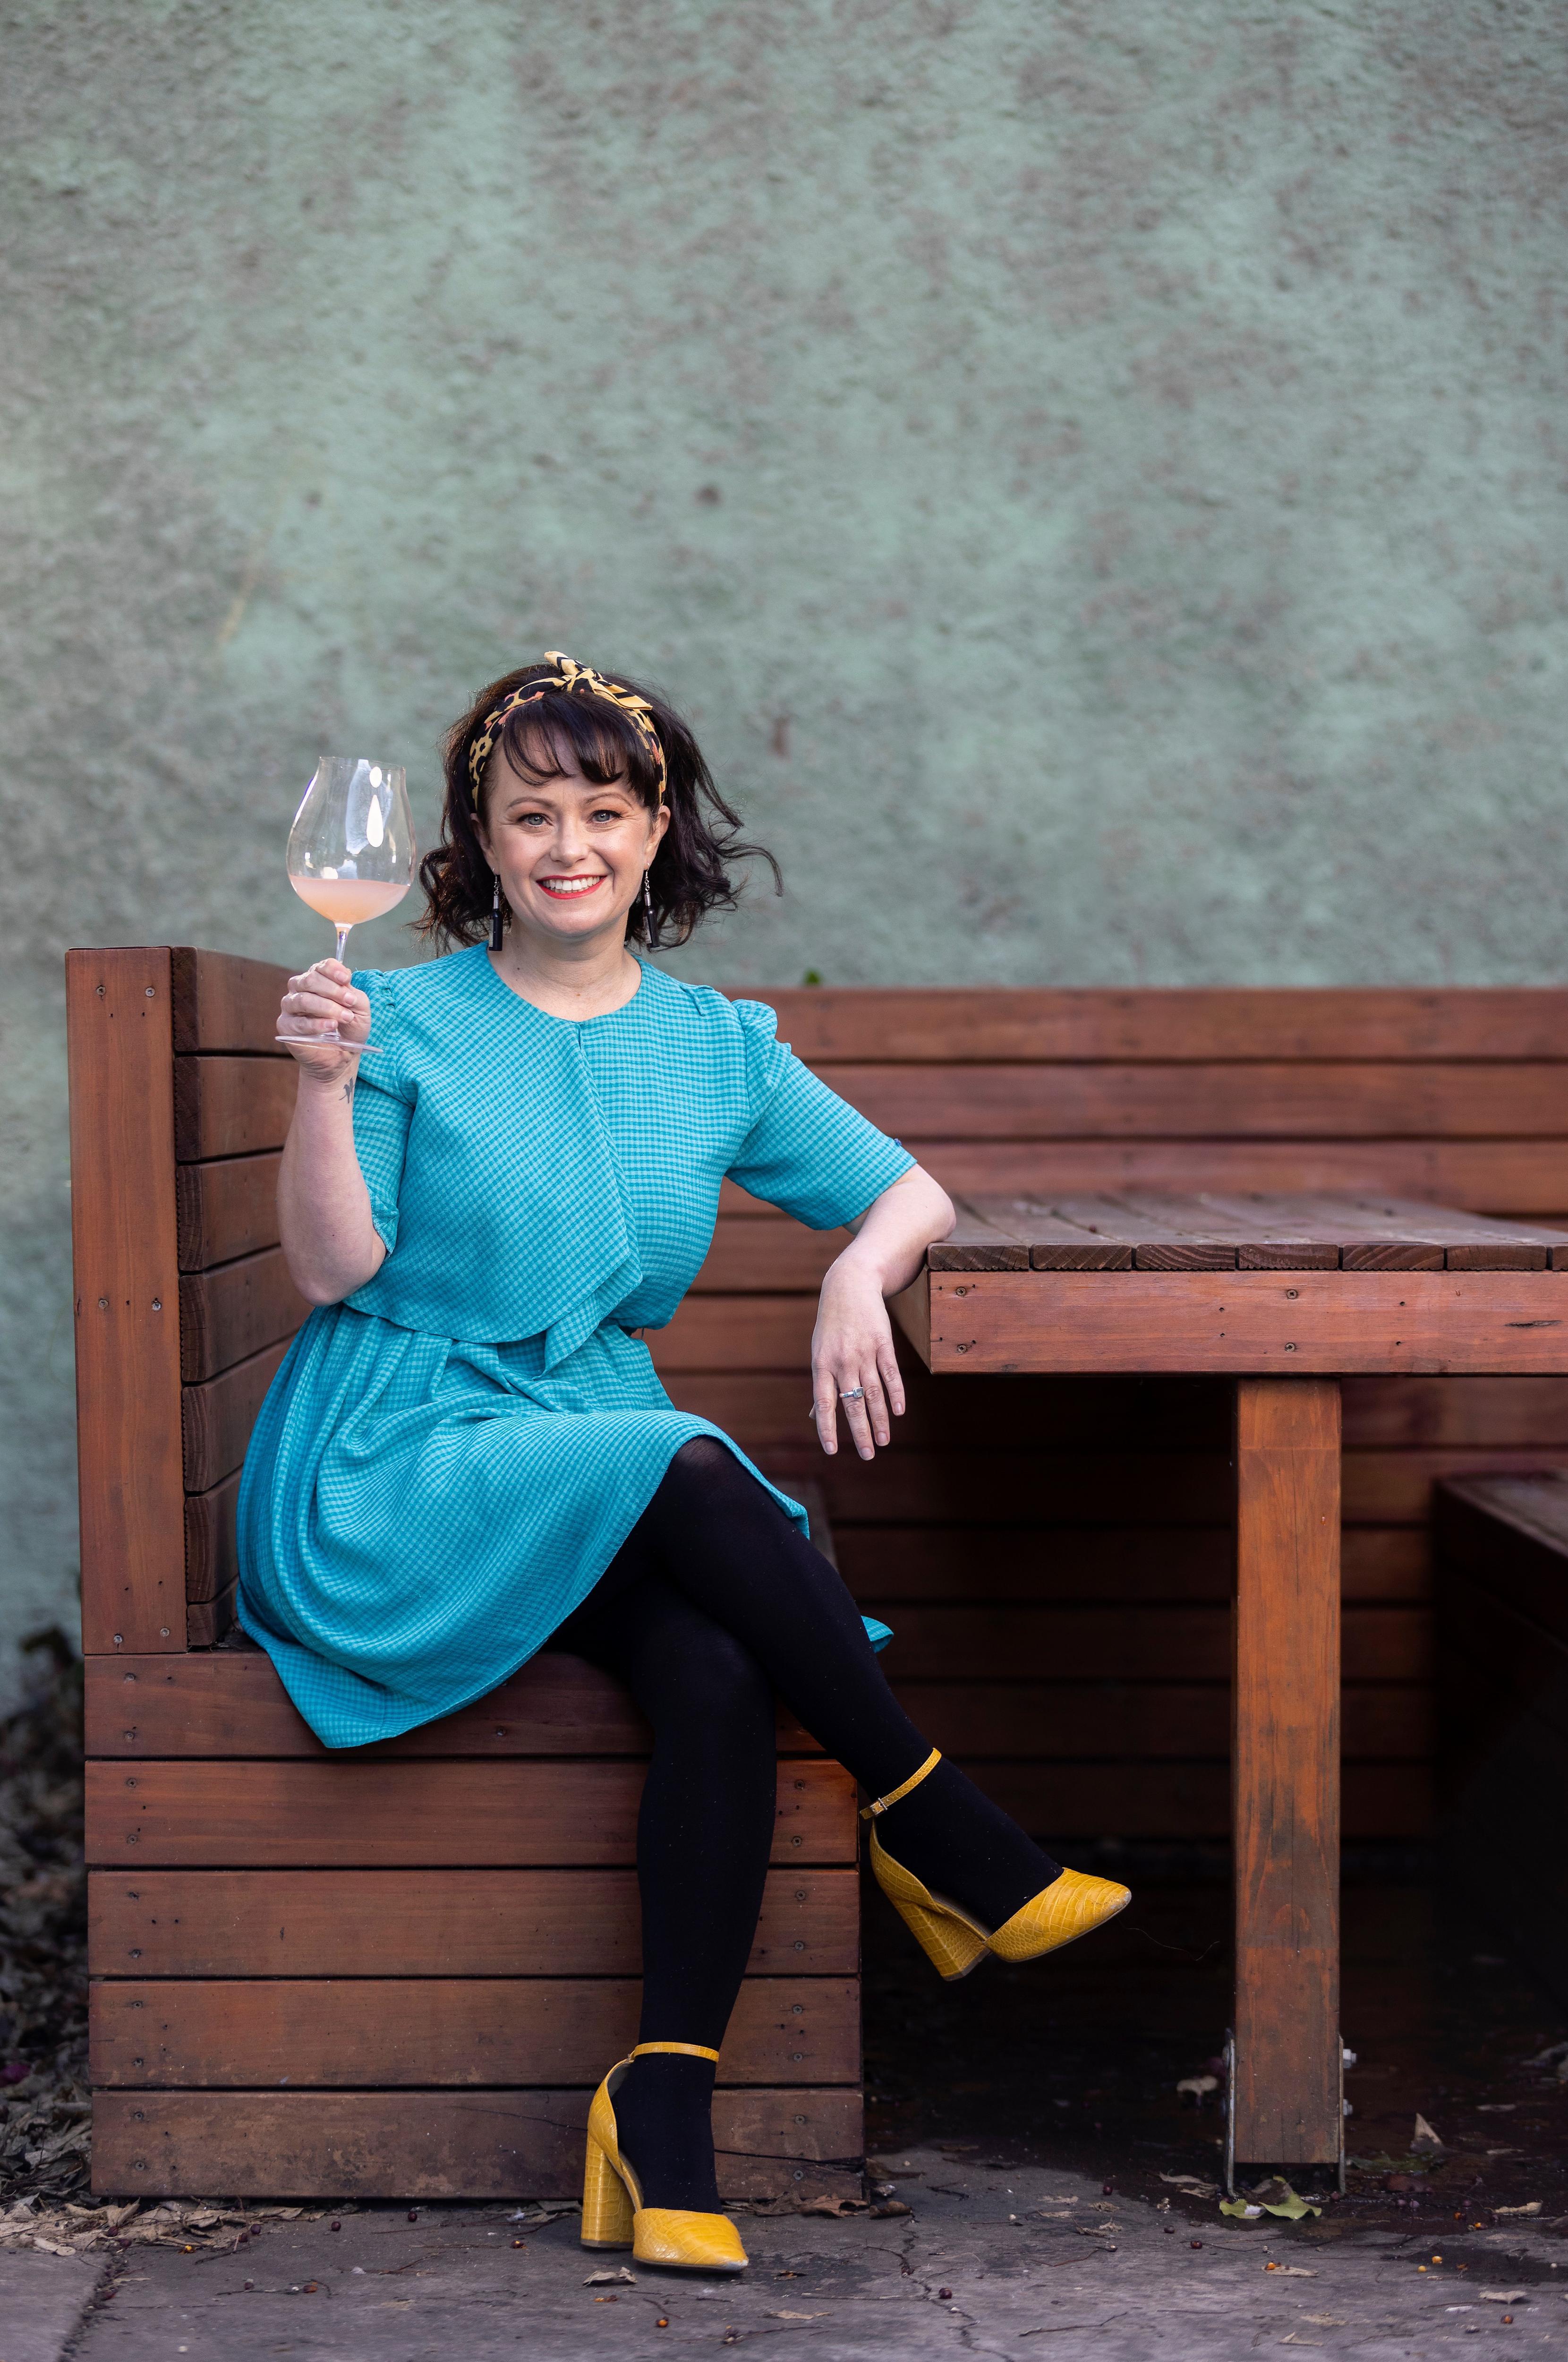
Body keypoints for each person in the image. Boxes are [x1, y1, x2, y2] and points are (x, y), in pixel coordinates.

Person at [244, 654, 1130, 2276]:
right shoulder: (407, 1018)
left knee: (721, 1669)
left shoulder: (719, 1048)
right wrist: (320, 1083)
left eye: (602, 808)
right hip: (399, 1457)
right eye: (529, 814)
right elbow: (330, 1272)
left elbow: (911, 1191)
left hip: (580, 1453)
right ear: (480, 842)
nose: (566, 842)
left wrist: (858, 1273)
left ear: (660, 833)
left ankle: (658, 2123)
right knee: (691, 1457)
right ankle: (939, 1825)